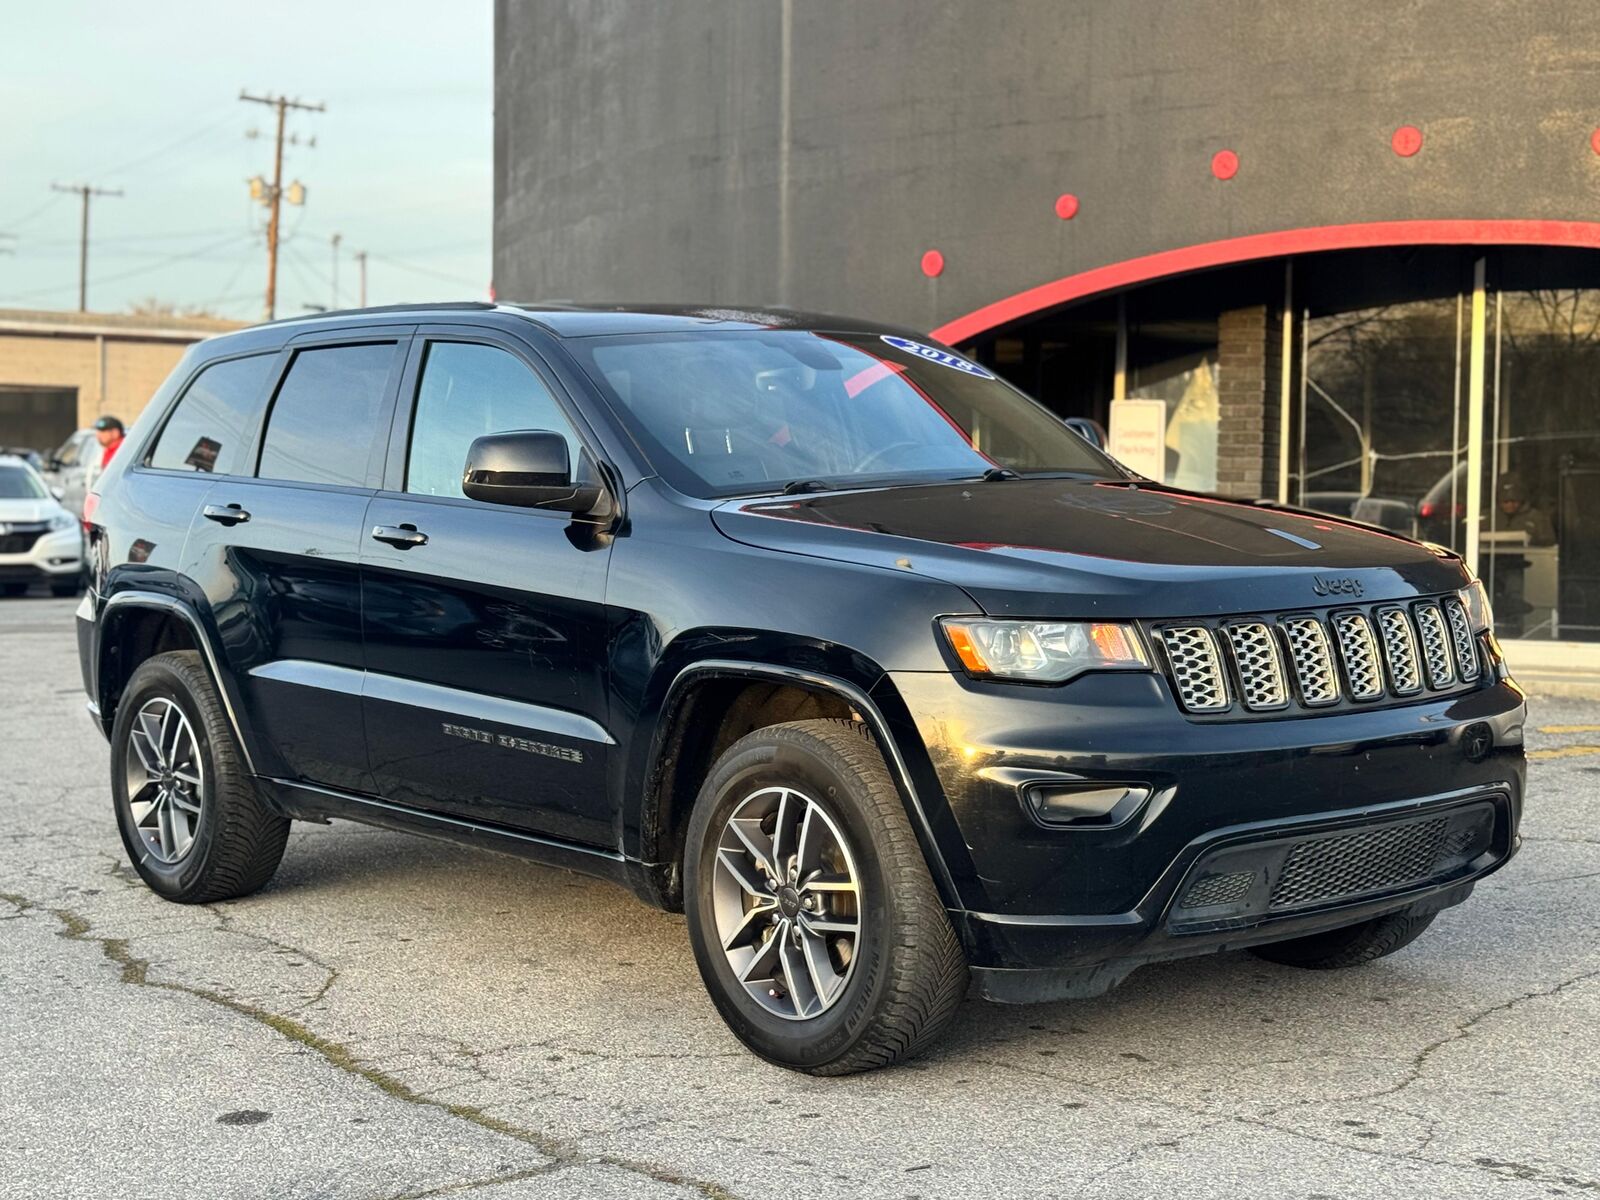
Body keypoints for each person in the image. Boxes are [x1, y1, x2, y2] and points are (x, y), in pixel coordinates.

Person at [84, 415, 124, 493]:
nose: (98, 434)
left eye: (103, 431)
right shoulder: (104, 451)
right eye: (98, 431)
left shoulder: (125, 450)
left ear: (115, 433)